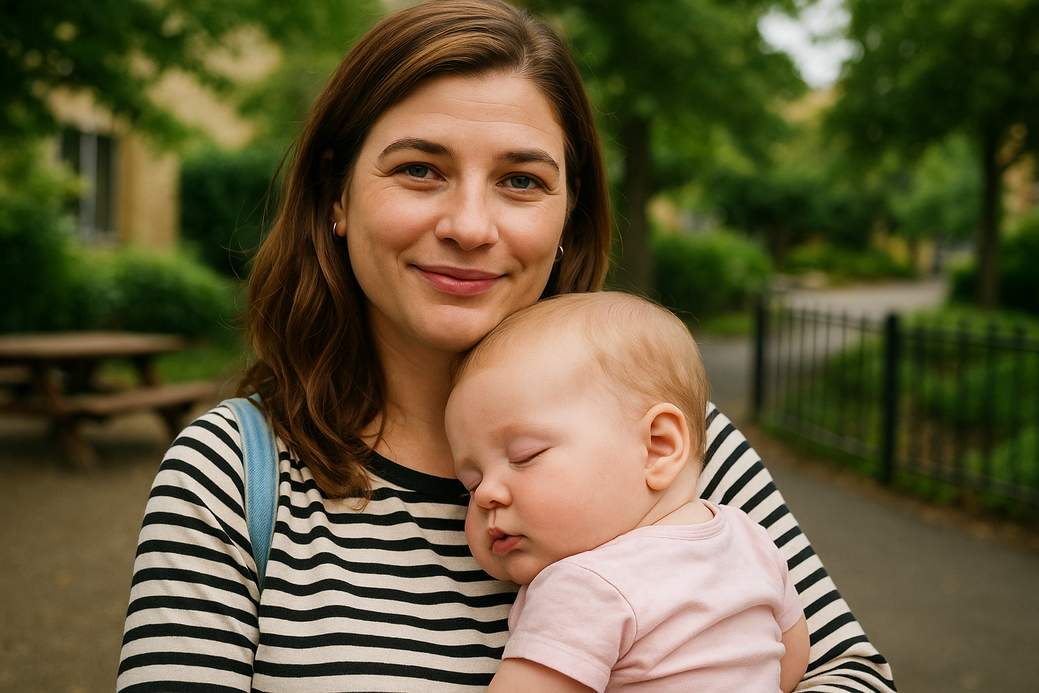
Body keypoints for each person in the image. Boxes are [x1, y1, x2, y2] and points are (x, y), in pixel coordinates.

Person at [117, 1, 895, 691]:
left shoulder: (666, 439)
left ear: (565, 216)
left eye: (520, 181)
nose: (469, 225)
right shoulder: (232, 472)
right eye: (421, 170)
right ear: (337, 196)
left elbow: (847, 670)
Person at [446, 292, 811, 692]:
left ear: (658, 446)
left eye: (524, 456)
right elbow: (792, 659)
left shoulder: (582, 587)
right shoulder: (750, 539)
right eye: (471, 484)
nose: (486, 496)